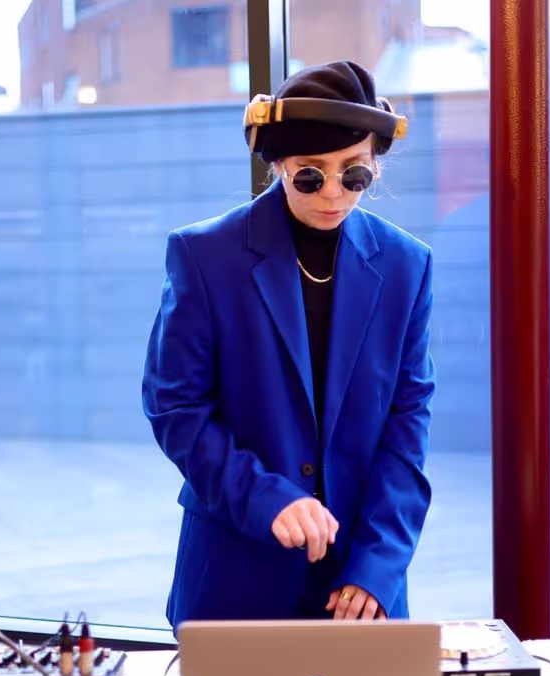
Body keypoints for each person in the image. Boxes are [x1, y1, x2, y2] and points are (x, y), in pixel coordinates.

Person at [142, 60, 435, 629]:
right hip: (236, 578)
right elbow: (176, 410)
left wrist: (377, 567)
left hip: (363, 588)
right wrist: (263, 497)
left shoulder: (408, 266)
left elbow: (408, 426)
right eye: (309, 175)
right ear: (278, 165)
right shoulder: (205, 257)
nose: (332, 194)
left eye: (353, 175)